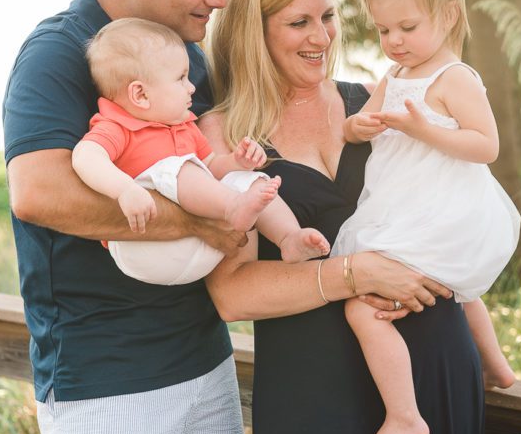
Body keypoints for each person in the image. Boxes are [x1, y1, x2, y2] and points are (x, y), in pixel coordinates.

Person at [200, 0, 483, 434]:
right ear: (253, 31)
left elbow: (460, 209)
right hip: (315, 399)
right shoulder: (223, 137)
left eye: (327, 16)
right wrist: (355, 274)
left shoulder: (382, 106)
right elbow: (230, 293)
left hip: (433, 371)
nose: (321, 37)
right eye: (298, 22)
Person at [2, 0, 248, 434]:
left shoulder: (187, 55)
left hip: (204, 360)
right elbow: (38, 192)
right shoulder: (57, 51)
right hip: (103, 378)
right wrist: (199, 220)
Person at [333, 0, 521, 434]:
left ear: (448, 15)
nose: (393, 41)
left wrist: (424, 128)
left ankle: (404, 417)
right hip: (403, 207)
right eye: (383, 29)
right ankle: (498, 368)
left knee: (361, 309)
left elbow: (486, 145)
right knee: (461, 290)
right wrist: (357, 124)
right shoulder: (393, 75)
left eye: (407, 28)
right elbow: (361, 129)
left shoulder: (454, 77)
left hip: (440, 210)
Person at [71, 17, 329, 285]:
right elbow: (85, 156)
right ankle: (233, 207)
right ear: (141, 95)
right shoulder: (117, 126)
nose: (191, 87)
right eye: (181, 78)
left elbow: (210, 169)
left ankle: (288, 238)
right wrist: (124, 190)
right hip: (144, 245)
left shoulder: (184, 125)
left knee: (250, 181)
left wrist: (236, 162)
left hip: (199, 246)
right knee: (178, 168)